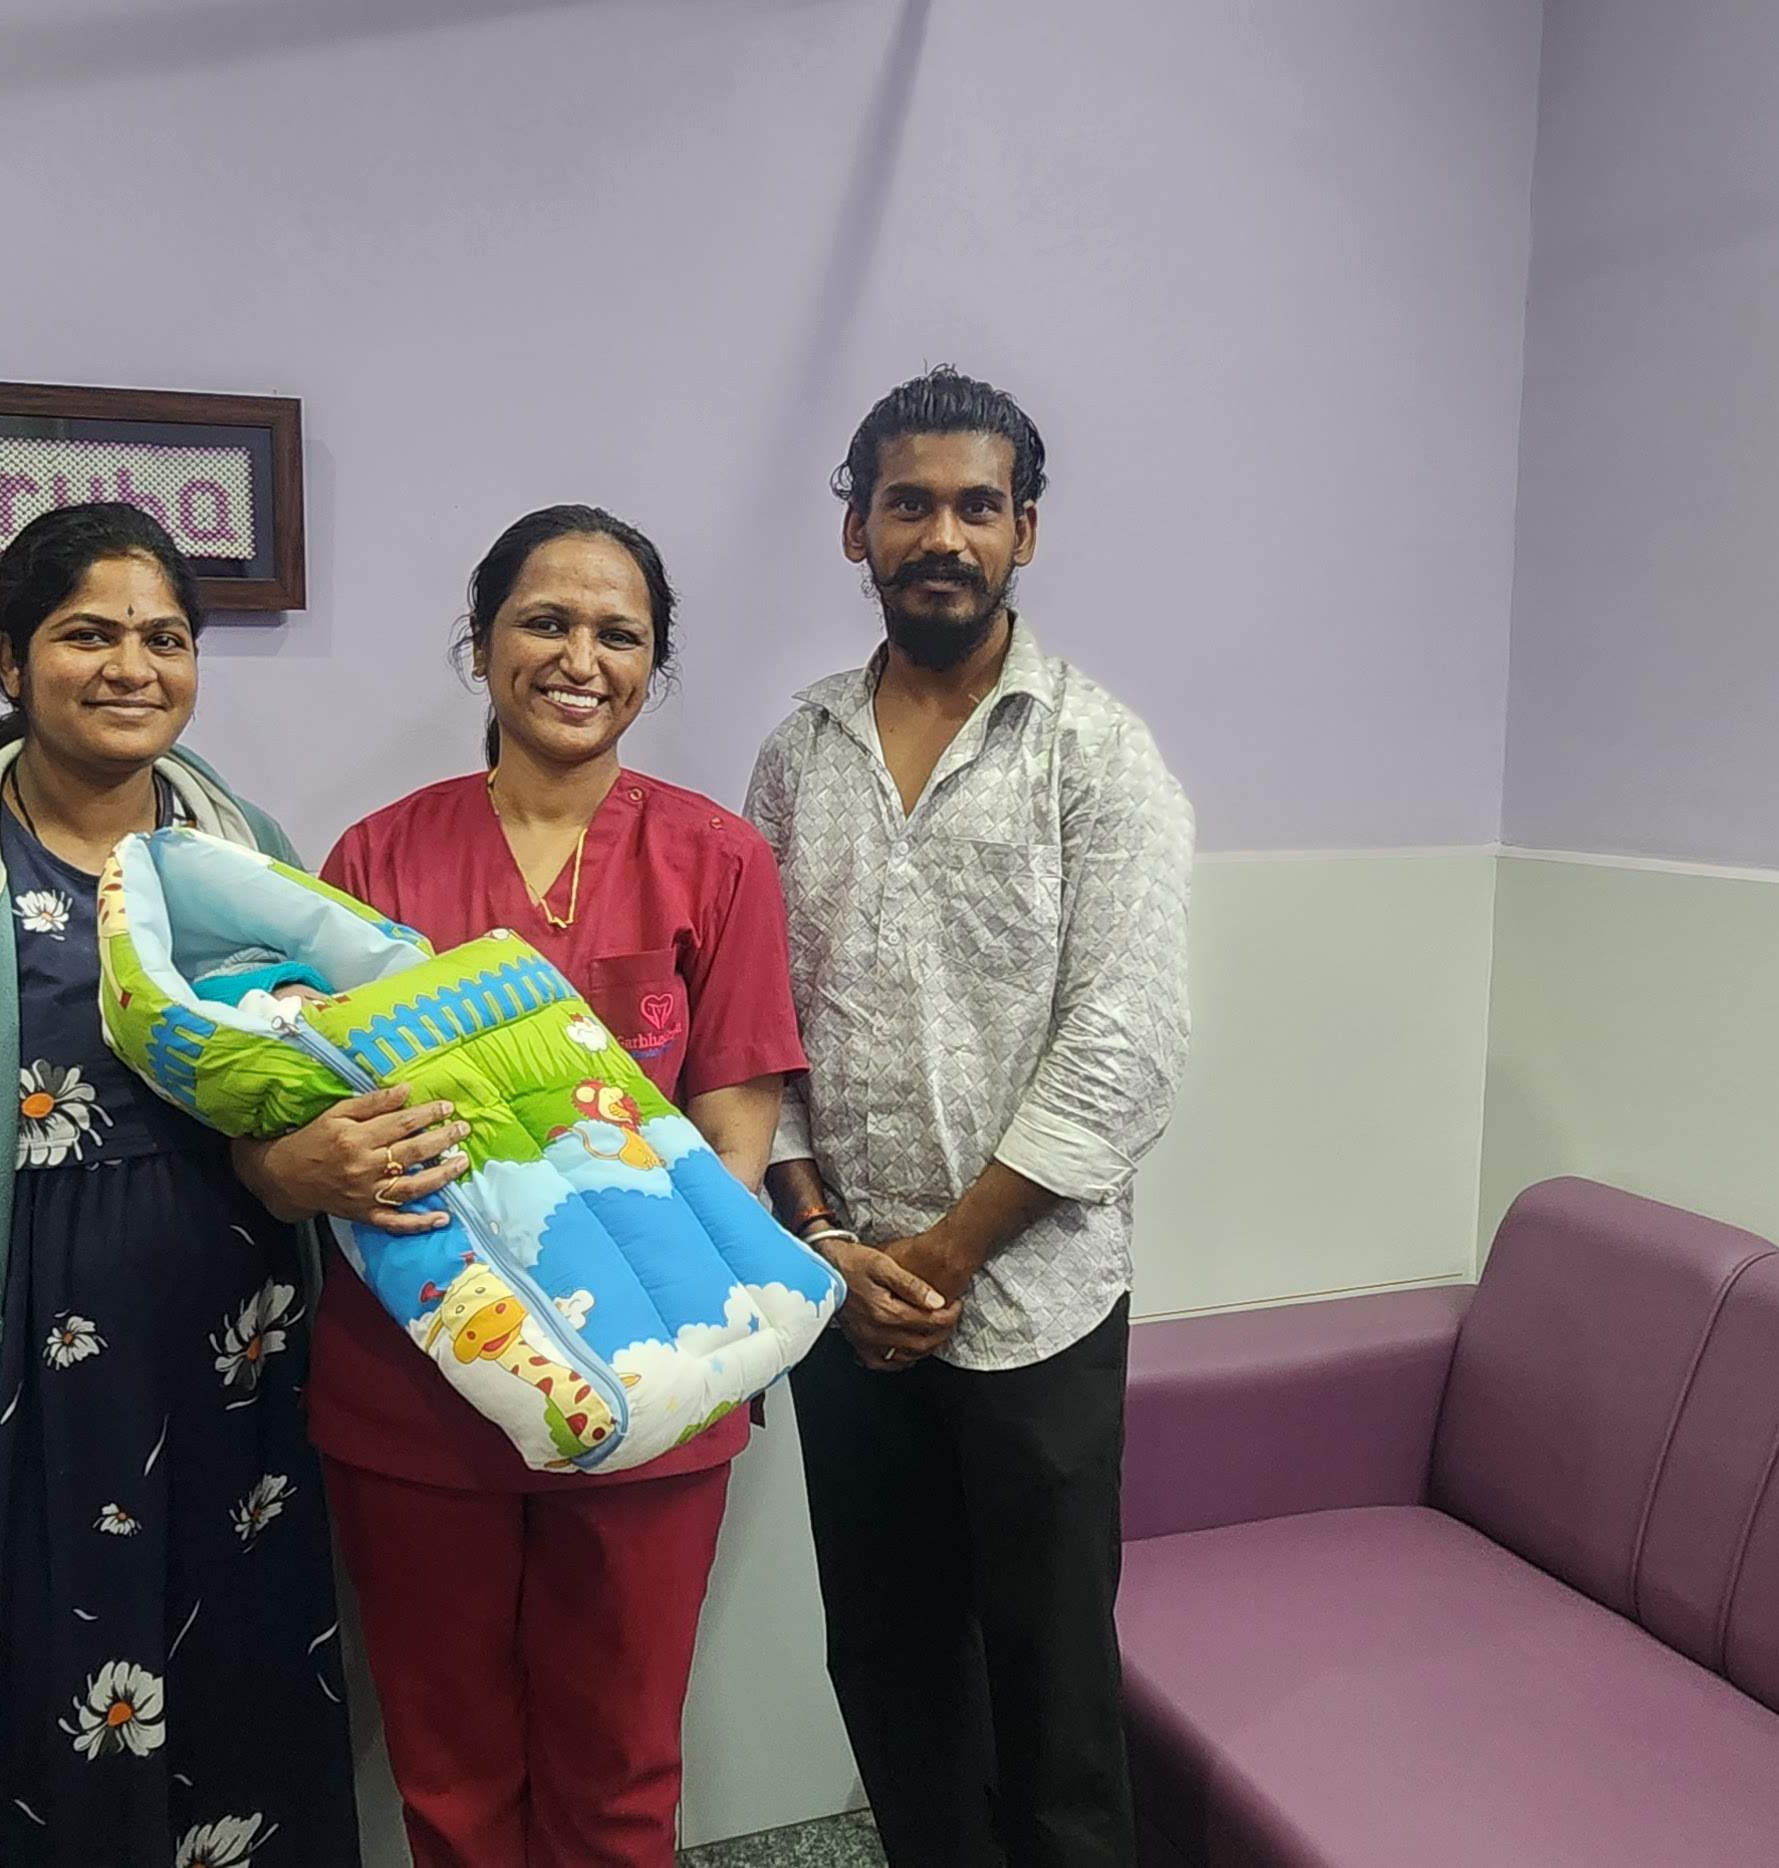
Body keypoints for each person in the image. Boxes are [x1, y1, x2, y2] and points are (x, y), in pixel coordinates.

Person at [0, 503, 450, 1868]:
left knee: (245, 1719)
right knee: (54, 1756)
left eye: (164, 639)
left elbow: (301, 1073)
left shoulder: (239, 842)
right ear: (9, 663)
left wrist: (315, 1161)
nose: (131, 667)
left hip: (241, 1370)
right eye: (85, 635)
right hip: (29, 1397)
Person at [311, 505, 812, 1867]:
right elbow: (328, 1105)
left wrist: (663, 1345)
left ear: (652, 664)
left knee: (620, 1764)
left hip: (650, 1375)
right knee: (451, 1764)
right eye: (543, 620)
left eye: (617, 631)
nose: (577, 655)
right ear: (480, 645)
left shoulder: (718, 860)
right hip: (418, 1382)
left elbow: (733, 1146)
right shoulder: (375, 857)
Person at [749, 371, 1195, 1868]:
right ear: (857, 530)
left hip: (1035, 1301)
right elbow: (764, 1032)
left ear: (1026, 533)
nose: (943, 534)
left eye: (976, 507)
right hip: (837, 1300)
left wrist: (939, 1256)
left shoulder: (1098, 750)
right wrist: (827, 1239)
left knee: (1055, 1689)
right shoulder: (797, 752)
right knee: (885, 1663)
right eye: (909, 504)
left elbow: (1124, 1048)